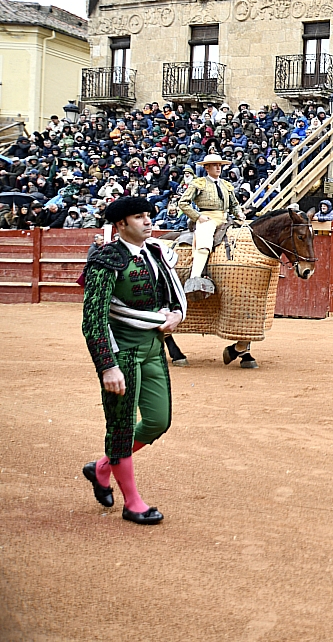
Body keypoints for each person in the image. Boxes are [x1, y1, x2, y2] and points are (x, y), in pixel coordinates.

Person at [80, 196, 187, 526]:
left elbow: (169, 297)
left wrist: (175, 314)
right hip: (122, 352)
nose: (147, 221)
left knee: (158, 421)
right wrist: (107, 366)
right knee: (121, 425)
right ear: (121, 224)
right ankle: (133, 503)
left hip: (153, 347)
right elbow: (93, 319)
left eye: (148, 215)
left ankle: (102, 468)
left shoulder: (156, 253)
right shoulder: (105, 260)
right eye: (139, 217)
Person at [177, 152, 245, 298]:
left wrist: (239, 213)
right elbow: (183, 203)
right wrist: (198, 216)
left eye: (219, 165)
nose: (218, 168)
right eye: (214, 165)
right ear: (207, 168)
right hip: (207, 218)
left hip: (226, 218)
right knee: (204, 244)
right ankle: (194, 278)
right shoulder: (199, 183)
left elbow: (234, 204)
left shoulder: (226, 185)